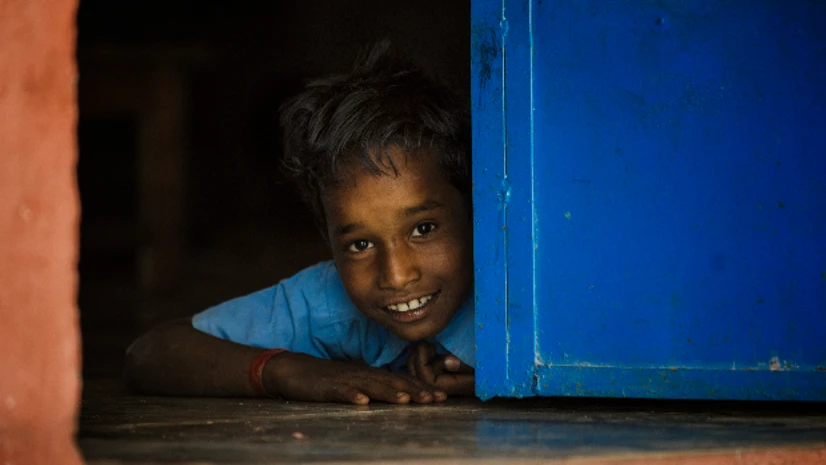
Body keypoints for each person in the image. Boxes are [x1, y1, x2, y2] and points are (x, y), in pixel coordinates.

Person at [124, 42, 475, 405]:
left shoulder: (531, 289)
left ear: (474, 213)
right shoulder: (334, 302)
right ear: (328, 239)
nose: (397, 276)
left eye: (423, 229)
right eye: (360, 245)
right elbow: (150, 353)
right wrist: (287, 371)